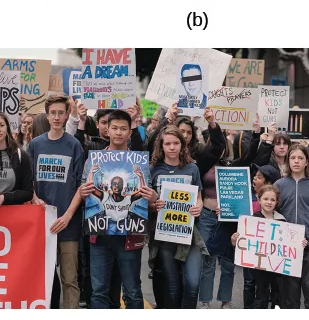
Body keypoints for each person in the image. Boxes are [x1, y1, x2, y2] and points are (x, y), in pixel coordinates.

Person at [79, 108, 152, 309]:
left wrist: (152, 196)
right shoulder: (93, 160)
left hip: (130, 236)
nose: (118, 132)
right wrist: (84, 191)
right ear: (107, 131)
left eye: (123, 129)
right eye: (114, 128)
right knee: (99, 290)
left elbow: (148, 195)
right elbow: (86, 192)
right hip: (99, 236)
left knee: (133, 291)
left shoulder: (139, 162)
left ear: (130, 132)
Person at [27, 94, 85, 309]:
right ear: (47, 114)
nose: (57, 117)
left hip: (68, 223)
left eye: (61, 113)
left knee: (70, 279)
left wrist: (68, 215)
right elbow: (28, 180)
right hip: (41, 224)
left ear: (67, 114)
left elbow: (81, 184)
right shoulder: (35, 145)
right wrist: (34, 198)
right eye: (53, 113)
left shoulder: (74, 145)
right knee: (44, 279)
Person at [197, 116, 261, 309]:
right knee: (208, 261)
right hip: (207, 215)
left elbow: (250, 157)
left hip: (228, 218)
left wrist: (256, 134)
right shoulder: (203, 164)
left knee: (228, 262)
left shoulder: (232, 166)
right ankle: (205, 301)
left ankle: (225, 301)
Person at [148, 126, 204, 309]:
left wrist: (198, 207)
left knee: (193, 284)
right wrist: (154, 205)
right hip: (164, 235)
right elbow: (147, 203)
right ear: (161, 146)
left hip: (190, 234)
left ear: (183, 145)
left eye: (176, 143)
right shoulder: (153, 169)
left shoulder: (192, 168)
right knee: (172, 285)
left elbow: (199, 197)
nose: (172, 147)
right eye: (168, 143)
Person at [275, 143, 309, 309]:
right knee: (290, 298)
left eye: (300, 158)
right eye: (292, 158)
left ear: (307, 162)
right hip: (288, 248)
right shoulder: (279, 185)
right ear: (288, 161)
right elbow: (270, 213)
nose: (296, 161)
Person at [230, 184, 290, 308]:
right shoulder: (252, 220)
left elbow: (288, 244)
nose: (269, 202)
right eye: (266, 199)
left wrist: (299, 243)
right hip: (256, 267)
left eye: (273, 200)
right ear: (259, 200)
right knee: (260, 293)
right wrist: (234, 239)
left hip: (275, 266)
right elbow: (240, 244)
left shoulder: (282, 221)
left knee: (277, 292)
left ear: (277, 202)